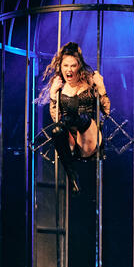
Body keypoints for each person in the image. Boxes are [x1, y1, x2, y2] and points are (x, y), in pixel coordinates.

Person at [38, 42, 110, 191]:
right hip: (71, 142)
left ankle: (73, 122)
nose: (69, 70)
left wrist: (101, 88)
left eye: (73, 65)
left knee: (82, 118)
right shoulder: (60, 87)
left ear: (79, 66)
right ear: (60, 67)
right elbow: (56, 119)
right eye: (65, 66)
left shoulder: (89, 82)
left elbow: (106, 111)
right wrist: (53, 94)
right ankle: (72, 177)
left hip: (89, 137)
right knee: (57, 130)